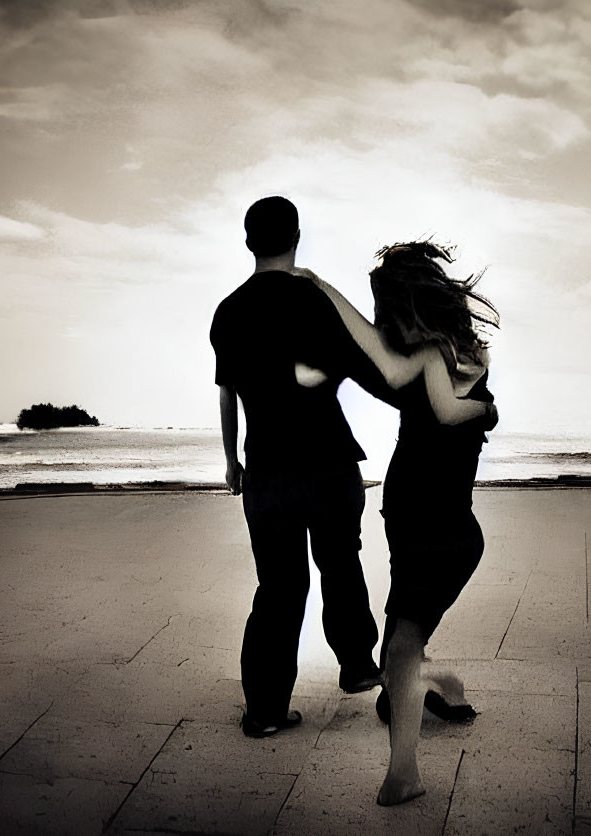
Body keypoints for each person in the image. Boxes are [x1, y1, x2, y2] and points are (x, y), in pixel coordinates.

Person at [210, 197, 425, 739]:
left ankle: (263, 711)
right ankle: (356, 663)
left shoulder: (229, 311)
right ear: (297, 236)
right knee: (340, 560)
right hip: (329, 464)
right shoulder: (316, 301)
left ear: (247, 241)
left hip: (267, 471)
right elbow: (368, 357)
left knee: (278, 588)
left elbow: (228, 394)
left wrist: (231, 459)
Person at [300, 241, 499, 806]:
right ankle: (447, 687)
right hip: (429, 527)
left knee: (401, 653)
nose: (384, 324)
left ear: (408, 307)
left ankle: (404, 773)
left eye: (387, 310)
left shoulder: (434, 359)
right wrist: (321, 288)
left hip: (438, 534)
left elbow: (429, 399)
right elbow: (371, 341)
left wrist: (322, 288)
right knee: (400, 656)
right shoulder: (461, 356)